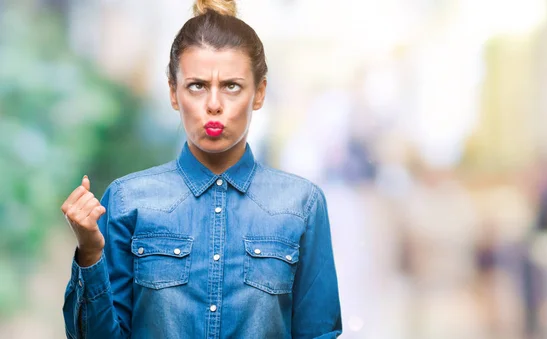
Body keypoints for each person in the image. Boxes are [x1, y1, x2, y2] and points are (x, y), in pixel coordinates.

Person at [60, 1, 342, 338]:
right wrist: (90, 251)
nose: (213, 104)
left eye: (231, 86)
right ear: (173, 92)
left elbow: (318, 332)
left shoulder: (302, 204)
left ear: (260, 92)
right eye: (197, 85)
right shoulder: (126, 200)